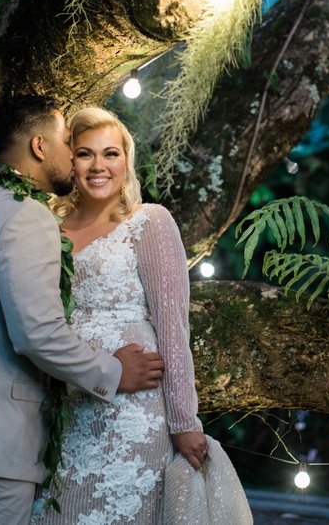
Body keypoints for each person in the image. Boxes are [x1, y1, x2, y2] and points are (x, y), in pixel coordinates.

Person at [0, 95, 165, 525]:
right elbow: (38, 333)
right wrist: (113, 372)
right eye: (66, 143)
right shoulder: (26, 216)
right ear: (39, 146)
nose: (73, 157)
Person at [31, 107, 209, 524]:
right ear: (69, 161)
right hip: (65, 407)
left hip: (132, 415)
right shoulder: (45, 227)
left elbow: (173, 329)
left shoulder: (150, 222)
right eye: (85, 153)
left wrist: (184, 421)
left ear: (126, 160)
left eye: (110, 154)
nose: (98, 166)